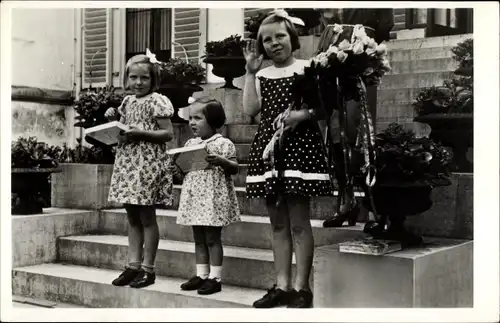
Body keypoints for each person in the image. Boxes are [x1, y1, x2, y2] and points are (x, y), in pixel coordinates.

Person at [243, 10, 333, 308]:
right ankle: (281, 285)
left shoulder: (308, 68)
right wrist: (249, 72)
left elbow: (322, 109)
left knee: (298, 222)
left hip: (299, 150)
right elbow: (249, 110)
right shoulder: (262, 75)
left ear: (292, 38)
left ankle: (301, 287)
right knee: (278, 224)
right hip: (270, 152)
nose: (274, 43)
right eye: (266, 40)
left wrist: (301, 115)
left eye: (280, 36)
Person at [314, 8, 394, 228]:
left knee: (359, 133)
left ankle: (372, 208)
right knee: (336, 134)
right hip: (331, 50)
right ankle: (346, 203)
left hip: (362, 56)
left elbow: (385, 26)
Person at [105, 53, 175, 288]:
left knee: (146, 218)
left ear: (153, 79)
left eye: (144, 78)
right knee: (132, 217)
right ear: (127, 79)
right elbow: (124, 128)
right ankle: (133, 265)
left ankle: (149, 268)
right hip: (128, 163)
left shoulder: (158, 101)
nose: (138, 82)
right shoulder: (127, 102)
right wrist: (114, 118)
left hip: (147, 165)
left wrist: (140, 133)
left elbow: (168, 134)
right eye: (133, 77)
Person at [176, 97, 241, 295]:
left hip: (213, 198)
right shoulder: (190, 143)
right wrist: (176, 167)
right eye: (190, 118)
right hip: (195, 197)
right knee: (198, 238)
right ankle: (201, 274)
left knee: (212, 238)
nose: (192, 123)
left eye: (197, 118)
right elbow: (185, 171)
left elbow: (235, 168)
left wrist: (222, 161)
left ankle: (215, 277)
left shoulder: (223, 143)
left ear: (212, 120)